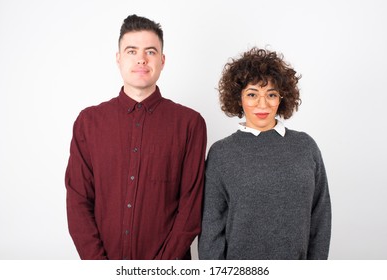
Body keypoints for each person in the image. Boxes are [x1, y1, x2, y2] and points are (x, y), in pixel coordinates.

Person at [65, 14, 207, 260]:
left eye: (150, 52)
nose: (141, 59)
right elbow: (78, 201)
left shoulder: (190, 124)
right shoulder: (88, 122)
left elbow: (191, 210)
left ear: (162, 61)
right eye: (132, 51)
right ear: (118, 59)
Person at [198, 47, 331, 260]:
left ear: (282, 98)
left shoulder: (305, 147)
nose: (263, 104)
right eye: (252, 94)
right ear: (239, 98)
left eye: (271, 94)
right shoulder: (221, 154)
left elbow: (320, 217)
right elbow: (212, 228)